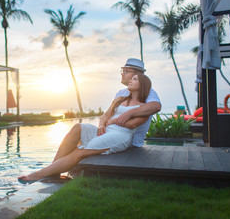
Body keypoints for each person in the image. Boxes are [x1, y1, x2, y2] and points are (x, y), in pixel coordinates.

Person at [18, 58, 160, 182]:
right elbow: (105, 115)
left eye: (126, 71)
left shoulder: (148, 98)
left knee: (81, 151)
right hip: (107, 130)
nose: (123, 74)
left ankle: (40, 174)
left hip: (123, 137)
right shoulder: (121, 96)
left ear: (139, 78)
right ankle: (53, 169)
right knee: (78, 128)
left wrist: (121, 118)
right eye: (122, 71)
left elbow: (150, 110)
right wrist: (102, 125)